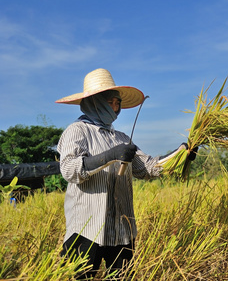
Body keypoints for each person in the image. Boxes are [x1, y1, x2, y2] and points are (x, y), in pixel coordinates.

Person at [55, 68, 194, 279]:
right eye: (109, 102)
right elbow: (69, 170)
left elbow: (147, 168)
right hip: (85, 230)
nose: (115, 108)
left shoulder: (121, 137)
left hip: (121, 231)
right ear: (94, 101)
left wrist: (180, 155)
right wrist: (110, 155)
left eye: (117, 103)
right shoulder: (77, 131)